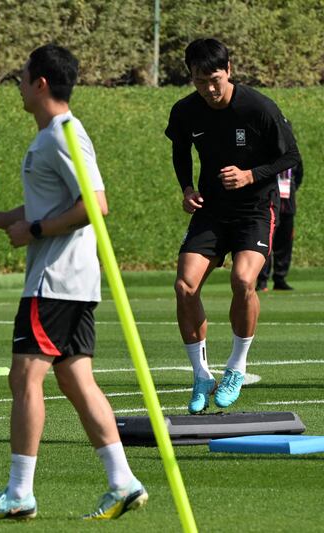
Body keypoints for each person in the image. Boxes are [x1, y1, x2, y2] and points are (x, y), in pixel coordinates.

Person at [0, 44, 147, 521]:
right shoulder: (52, 135)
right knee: (75, 378)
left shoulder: (63, 133)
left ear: (40, 83)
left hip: (56, 282)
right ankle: (122, 481)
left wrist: (38, 231)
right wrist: (4, 219)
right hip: (69, 281)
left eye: (22, 77)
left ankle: (19, 492)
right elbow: (53, 205)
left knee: (25, 377)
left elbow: (94, 204)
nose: (18, 84)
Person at [165, 39, 301, 414]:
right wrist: (187, 188)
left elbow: (290, 155)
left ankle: (236, 367)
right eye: (199, 80)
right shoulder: (186, 111)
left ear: (229, 70)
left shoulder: (258, 107)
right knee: (184, 285)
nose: (209, 88)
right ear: (190, 77)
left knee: (243, 281)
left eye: (215, 78)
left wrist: (249, 175)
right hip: (210, 210)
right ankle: (201, 375)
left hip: (255, 209)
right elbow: (180, 150)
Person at [257, 159, 303, 291]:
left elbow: (299, 176)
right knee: (266, 243)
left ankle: (280, 279)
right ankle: (262, 281)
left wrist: (292, 190)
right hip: (269, 203)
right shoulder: (267, 153)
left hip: (287, 204)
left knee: (285, 243)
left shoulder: (294, 156)